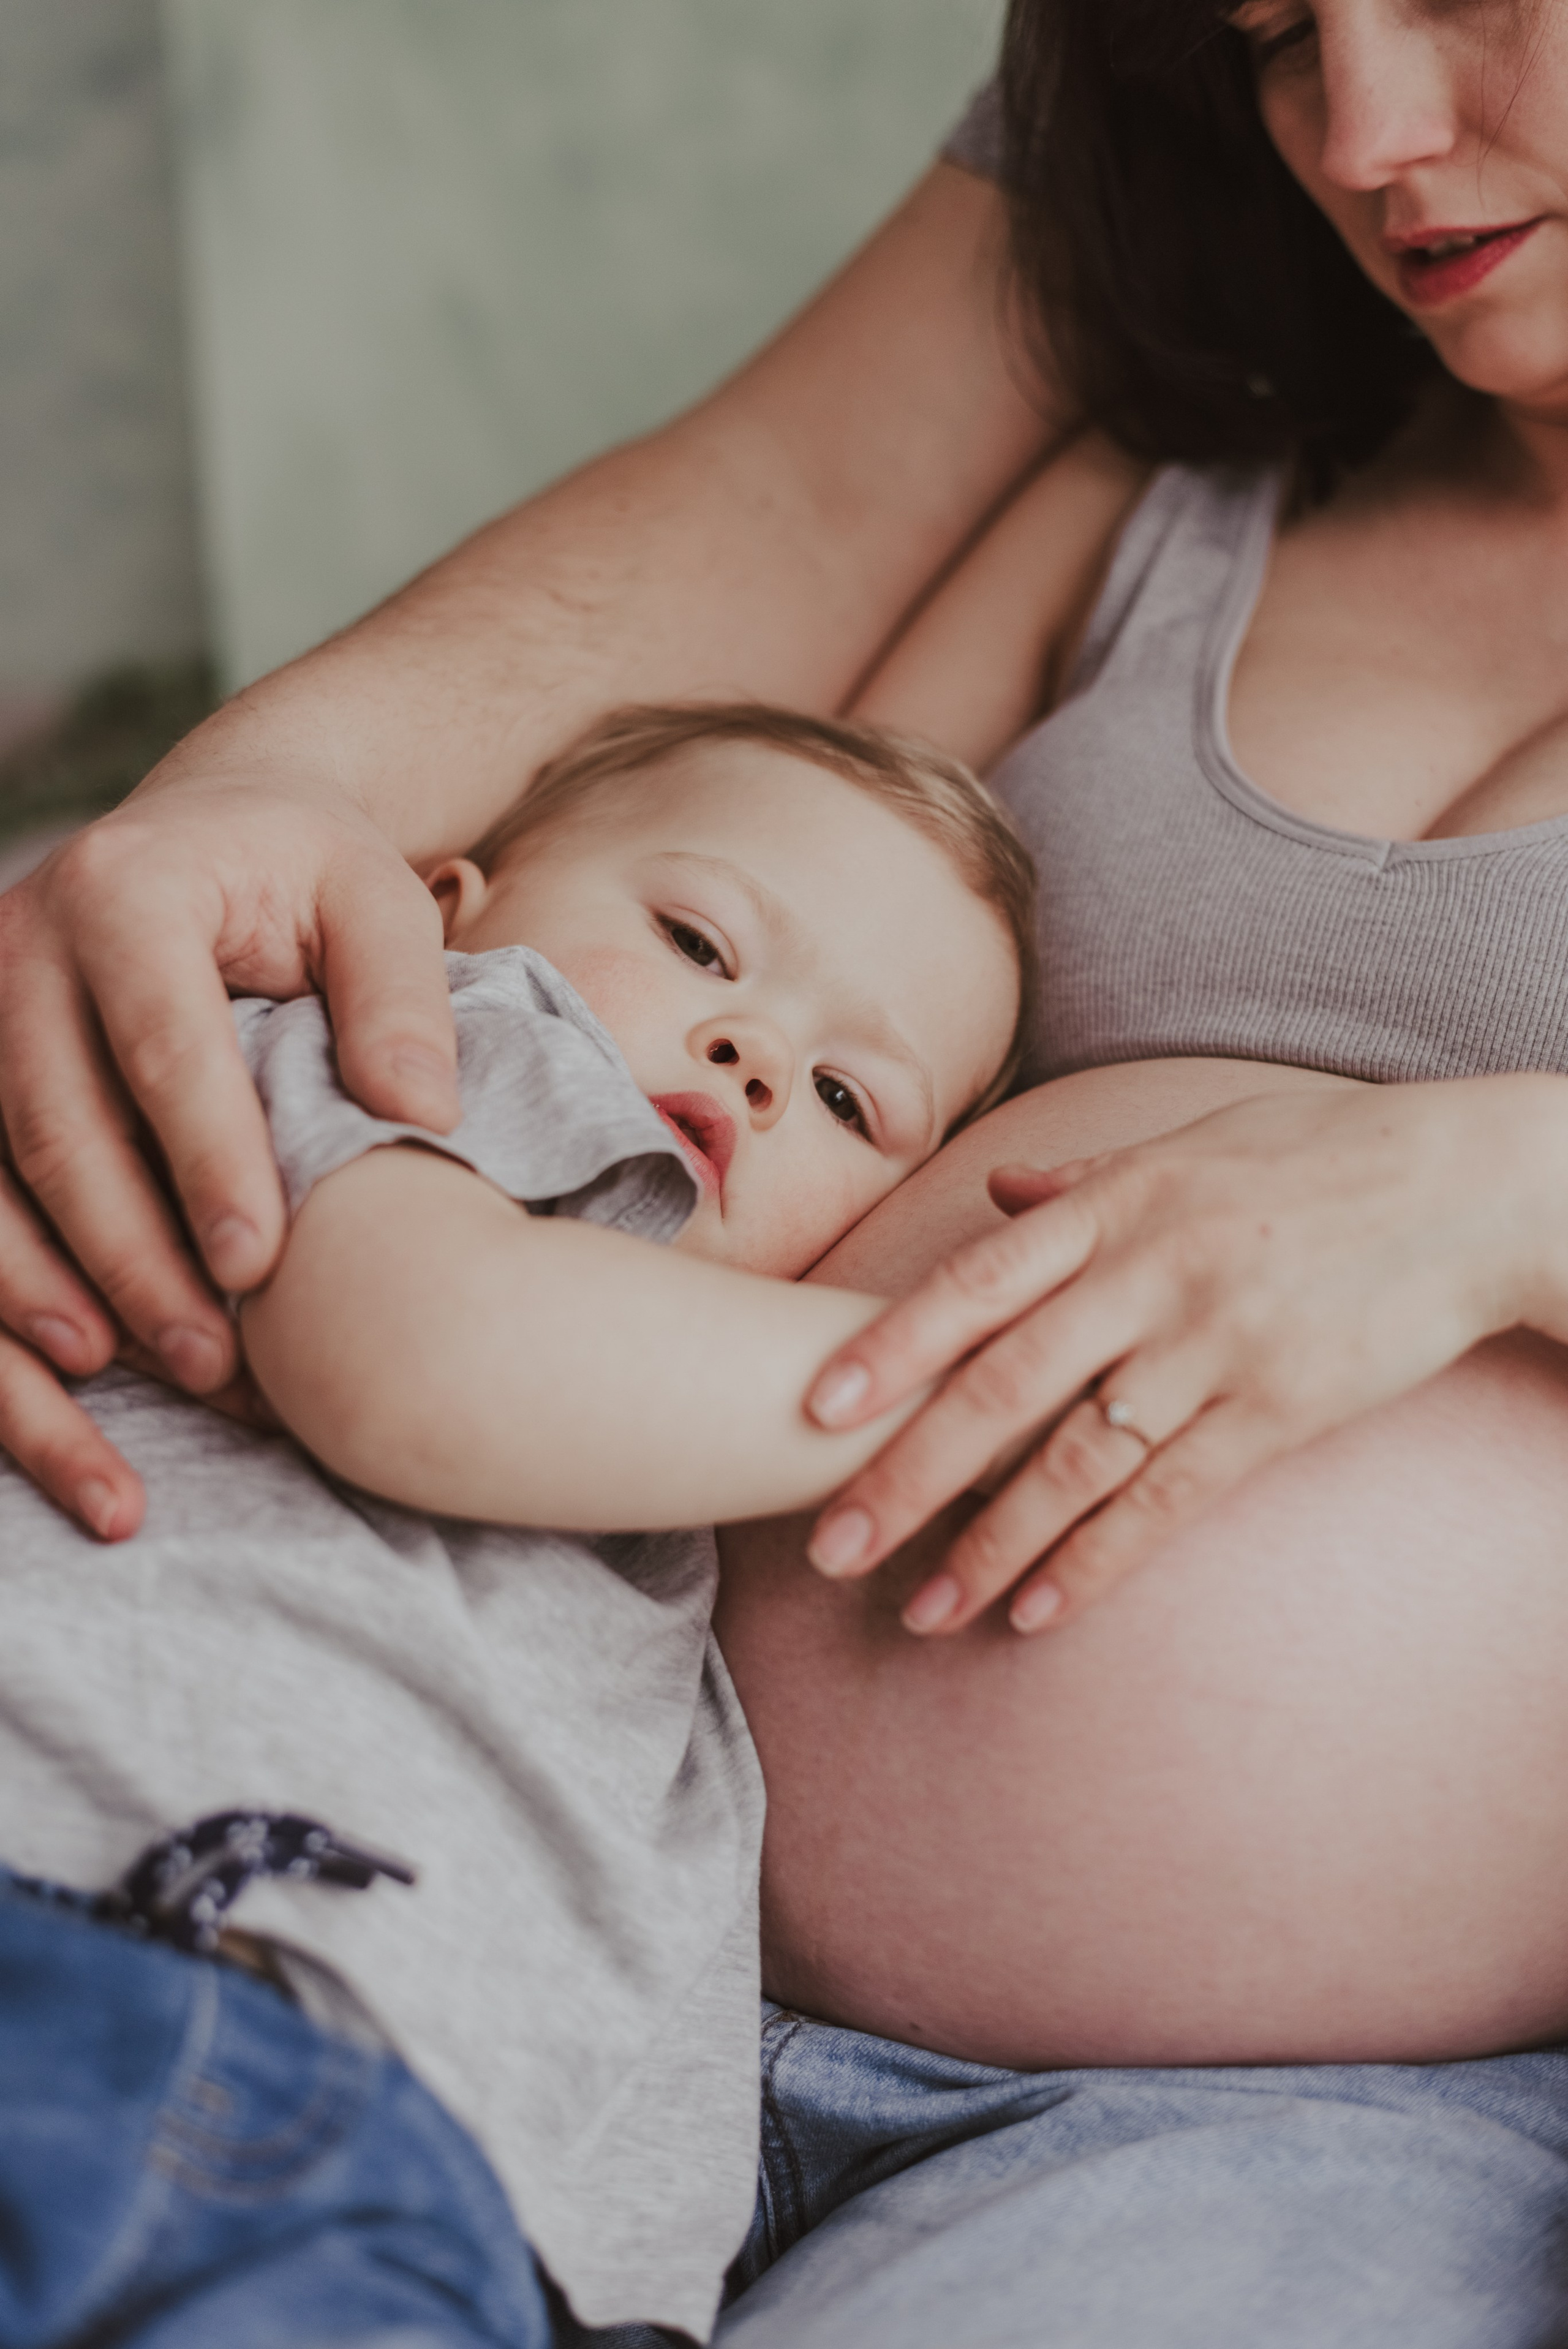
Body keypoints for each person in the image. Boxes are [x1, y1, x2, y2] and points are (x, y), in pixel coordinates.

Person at [4, 0, 1568, 2337]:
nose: (1356, 126)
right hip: (561, 1915)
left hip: (1258, 2101)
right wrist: (155, 1009)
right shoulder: (1176, 476)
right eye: (1265, 29)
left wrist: (1498, 1197)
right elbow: (725, 801)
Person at [0, 702, 1028, 2345]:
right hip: (96, 1979)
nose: (760, 1057)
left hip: (429, 2208)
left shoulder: (655, 1515)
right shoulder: (434, 1052)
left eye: (851, 1100)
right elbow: (417, 1359)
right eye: (699, 941)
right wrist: (996, 1365)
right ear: (443, 903)